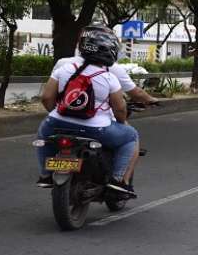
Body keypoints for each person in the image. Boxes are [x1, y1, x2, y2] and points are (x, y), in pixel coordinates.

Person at [35, 26, 139, 197]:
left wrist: (58, 116)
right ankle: (118, 180)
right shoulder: (109, 77)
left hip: (55, 124)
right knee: (131, 137)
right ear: (110, 50)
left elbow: (46, 98)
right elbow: (120, 109)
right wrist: (121, 123)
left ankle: (45, 175)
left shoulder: (63, 69)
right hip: (96, 129)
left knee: (42, 138)